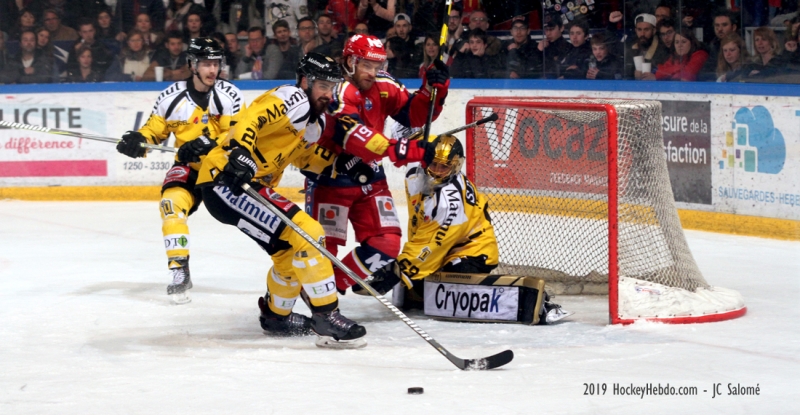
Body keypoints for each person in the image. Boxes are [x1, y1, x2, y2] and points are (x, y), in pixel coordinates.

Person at [196, 53, 368, 347]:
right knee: (309, 233)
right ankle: (326, 315)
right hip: (226, 180)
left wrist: (342, 165)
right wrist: (240, 151)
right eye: (323, 86)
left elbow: (304, 158)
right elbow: (252, 118)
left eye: (333, 87)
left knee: (289, 252)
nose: (329, 94)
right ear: (305, 81)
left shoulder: (313, 124)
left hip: (243, 186)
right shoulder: (293, 98)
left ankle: (277, 317)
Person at [359, 135, 571, 324]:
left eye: (444, 167)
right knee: (420, 290)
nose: (437, 171)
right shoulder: (416, 175)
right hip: (443, 247)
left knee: (449, 289)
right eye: (433, 164)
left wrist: (399, 269)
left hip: (472, 250)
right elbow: (428, 142)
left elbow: (433, 244)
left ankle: (539, 303)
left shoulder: (449, 203)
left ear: (456, 166)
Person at [302, 34, 450, 295]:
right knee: (323, 251)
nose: (373, 72)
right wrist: (406, 148)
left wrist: (432, 91)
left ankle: (330, 286)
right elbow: (354, 136)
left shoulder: (385, 85)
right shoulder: (334, 89)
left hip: (370, 177)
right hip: (330, 180)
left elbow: (414, 116)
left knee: (388, 243)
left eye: (377, 65)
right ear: (350, 61)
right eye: (366, 65)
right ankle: (302, 298)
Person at [114, 38, 245, 304]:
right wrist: (138, 140)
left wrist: (206, 143)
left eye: (216, 64)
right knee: (170, 205)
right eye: (207, 64)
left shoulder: (230, 94)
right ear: (192, 65)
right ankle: (179, 270)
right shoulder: (171, 97)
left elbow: (237, 136)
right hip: (189, 166)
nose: (212, 70)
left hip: (222, 168)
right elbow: (154, 130)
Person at [386, 13, 421, 79]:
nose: (401, 30)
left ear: (410, 27)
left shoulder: (417, 45)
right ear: (394, 28)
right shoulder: (389, 44)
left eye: (404, 26)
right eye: (398, 26)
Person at [538, 12, 570, 79]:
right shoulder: (541, 47)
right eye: (546, 30)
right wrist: (538, 51)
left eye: (551, 29)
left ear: (561, 28)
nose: (548, 33)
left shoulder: (569, 48)